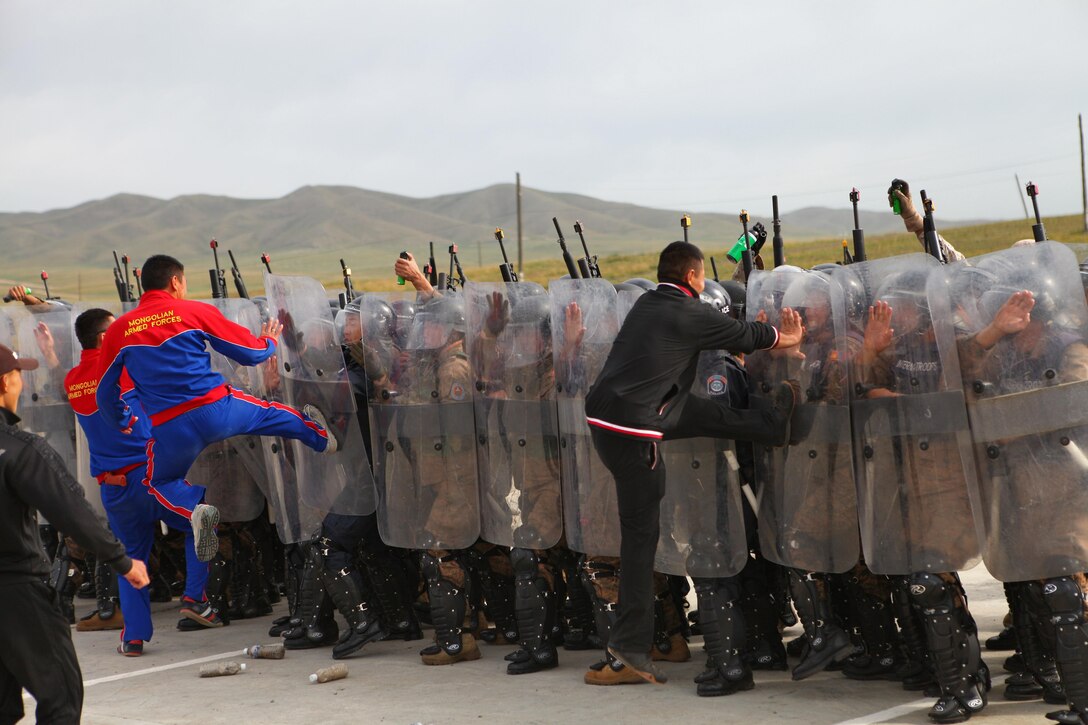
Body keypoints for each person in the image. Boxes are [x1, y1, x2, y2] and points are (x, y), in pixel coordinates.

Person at [584, 240, 803, 684]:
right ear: (692, 277)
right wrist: (786, 337)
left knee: (699, 412)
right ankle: (629, 651)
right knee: (639, 541)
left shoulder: (650, 303)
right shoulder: (689, 311)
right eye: (702, 276)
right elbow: (742, 336)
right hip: (634, 433)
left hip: (612, 419)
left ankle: (771, 425)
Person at [94, 254, 334, 563]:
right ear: (175, 282)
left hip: (171, 428)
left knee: (159, 481)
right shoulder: (194, 311)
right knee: (271, 414)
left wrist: (121, 419)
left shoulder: (119, 330)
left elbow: (104, 391)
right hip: (217, 410)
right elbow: (248, 353)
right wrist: (269, 342)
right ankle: (322, 438)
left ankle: (197, 510)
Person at [0, 342, 150, 723]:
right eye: (18, 374)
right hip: (16, 591)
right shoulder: (19, 449)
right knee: (60, 696)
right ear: (6, 382)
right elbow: (71, 511)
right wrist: (122, 560)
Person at [64, 308, 220, 655]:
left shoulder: (73, 380)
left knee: (130, 559)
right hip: (151, 478)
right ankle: (195, 598)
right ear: (106, 338)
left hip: (114, 488)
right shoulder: (130, 369)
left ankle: (133, 639)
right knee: (202, 517)